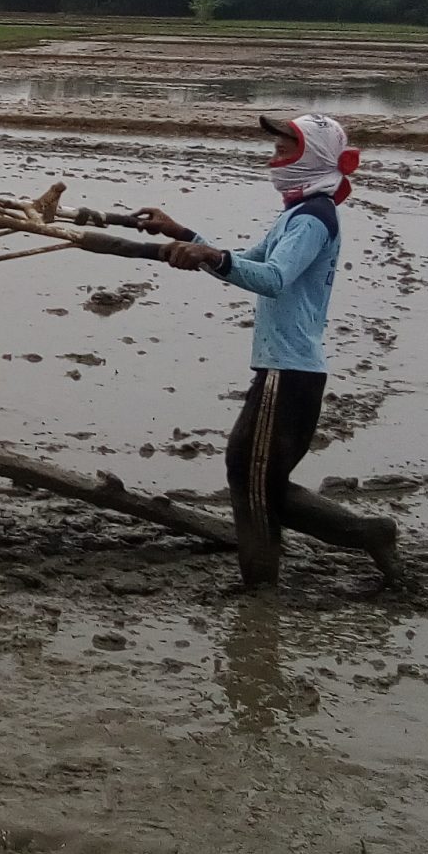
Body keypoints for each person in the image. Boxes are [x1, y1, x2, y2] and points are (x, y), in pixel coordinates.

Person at [131, 113, 359, 588]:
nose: (273, 159)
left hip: (289, 370)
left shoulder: (314, 218)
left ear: (312, 158)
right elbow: (252, 260)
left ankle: (289, 570)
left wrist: (212, 257)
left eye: (283, 151)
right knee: (253, 476)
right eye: (275, 150)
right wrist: (188, 237)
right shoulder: (300, 214)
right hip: (286, 368)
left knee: (250, 476)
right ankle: (273, 573)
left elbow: (273, 279)